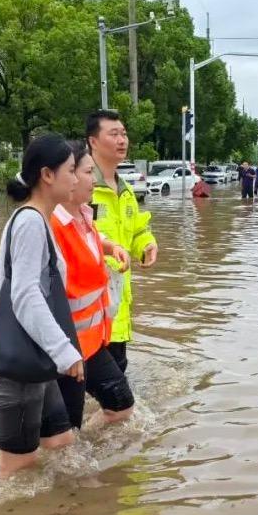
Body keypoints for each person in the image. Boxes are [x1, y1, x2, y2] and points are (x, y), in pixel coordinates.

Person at [0, 133, 84, 478]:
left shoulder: (32, 219)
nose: (76, 178)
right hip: (19, 370)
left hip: (35, 361)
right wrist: (65, 352)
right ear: (47, 175)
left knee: (61, 442)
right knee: (17, 470)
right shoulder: (29, 222)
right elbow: (25, 293)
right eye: (71, 170)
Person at [51, 140, 135, 430]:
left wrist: (110, 247)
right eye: (88, 172)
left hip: (92, 343)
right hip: (65, 347)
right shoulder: (49, 225)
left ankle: (91, 447)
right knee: (64, 433)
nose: (94, 179)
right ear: (69, 177)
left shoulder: (84, 216)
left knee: (121, 404)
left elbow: (88, 243)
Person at [86, 109, 158, 372]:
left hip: (117, 310)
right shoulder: (81, 187)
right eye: (113, 134)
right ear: (93, 141)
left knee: (116, 382)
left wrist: (146, 244)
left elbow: (137, 229)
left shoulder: (124, 189)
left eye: (124, 134)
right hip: (88, 314)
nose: (122, 140)